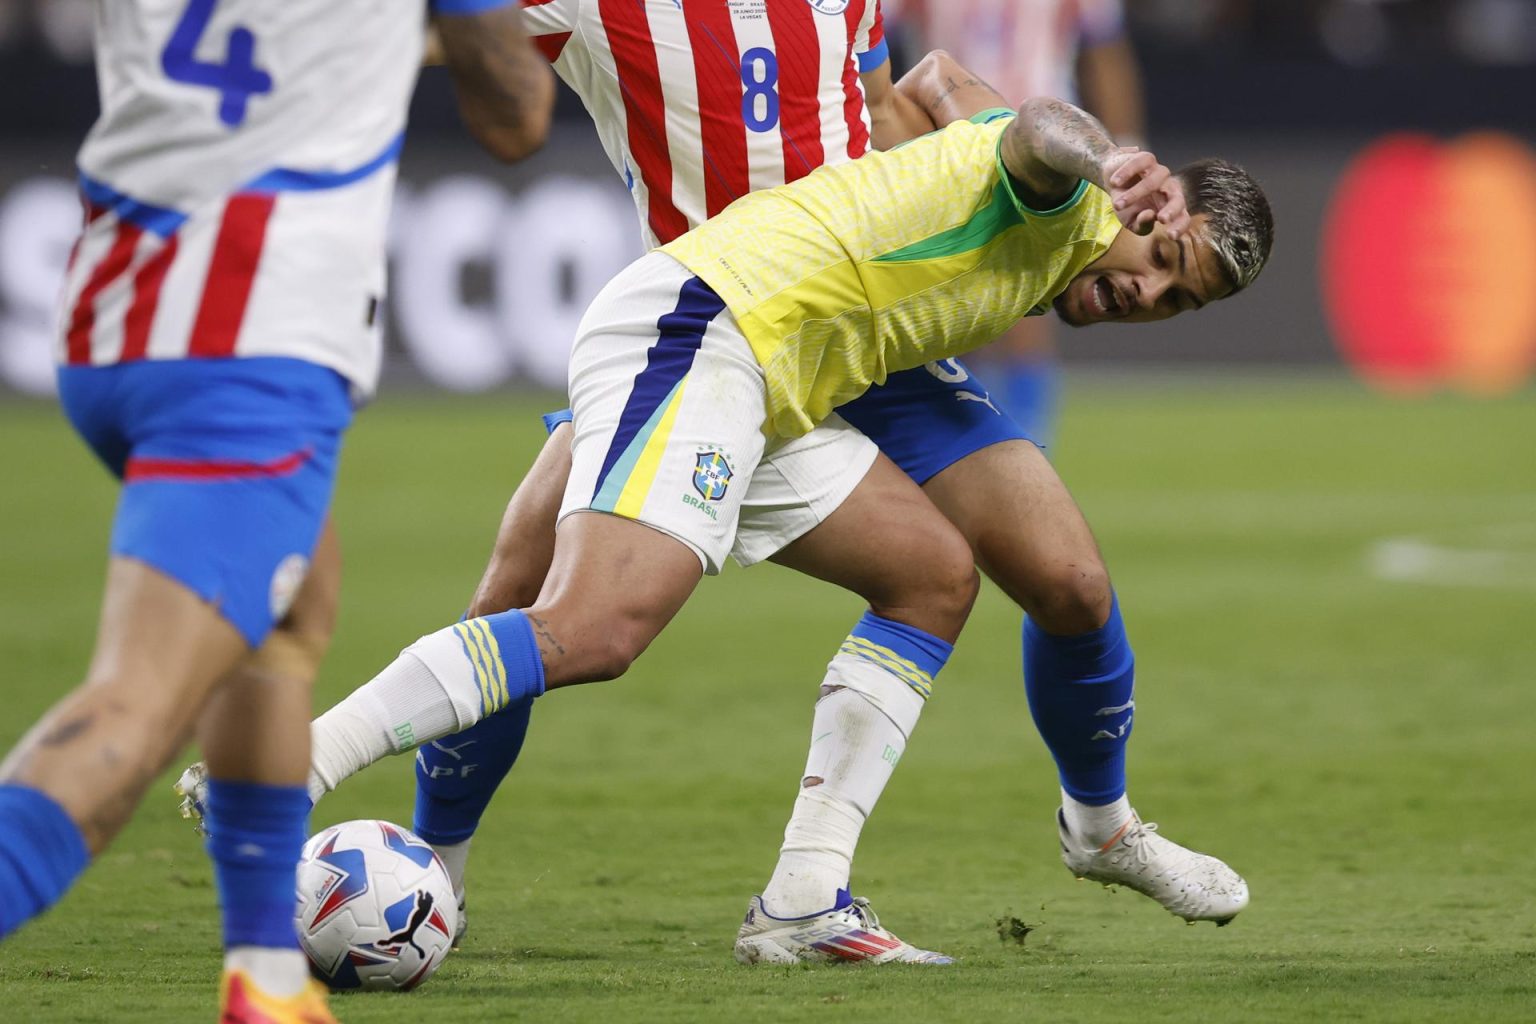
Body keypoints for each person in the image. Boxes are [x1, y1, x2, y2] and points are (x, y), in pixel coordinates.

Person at [185, 39, 1271, 966]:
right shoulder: (1077, 199)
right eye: (1161, 254)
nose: (1149, 291)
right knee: (591, 626)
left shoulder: (1068, 235)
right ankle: (283, 769)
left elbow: (947, 85)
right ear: (1153, 196)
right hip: (704, 330)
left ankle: (804, 901)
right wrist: (1110, 155)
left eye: (1177, 300)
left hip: (780, 382)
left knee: (933, 578)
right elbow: (1037, 129)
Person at [0, 2, 553, 1020]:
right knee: (137, 703)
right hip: (249, 339)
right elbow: (517, 115)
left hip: (115, 300)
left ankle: (264, 969)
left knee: (291, 610)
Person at [891, 0, 1147, 445]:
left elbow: (1104, 52)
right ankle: (970, 445)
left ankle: (1021, 445)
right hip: (950, 141)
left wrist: (1124, 152)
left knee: (1024, 300)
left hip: (1040, 150)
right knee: (948, 303)